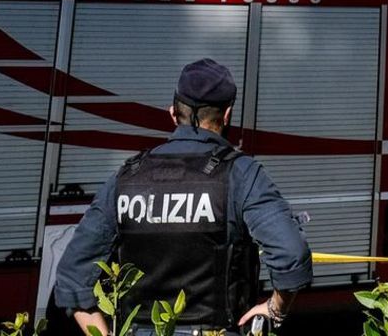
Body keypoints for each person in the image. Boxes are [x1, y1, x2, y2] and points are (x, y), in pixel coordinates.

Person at [53, 59, 311, 333]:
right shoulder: (241, 174)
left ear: (173, 113)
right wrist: (274, 310)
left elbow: (71, 275)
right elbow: (291, 254)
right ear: (226, 116)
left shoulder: (126, 177)